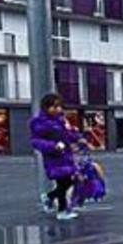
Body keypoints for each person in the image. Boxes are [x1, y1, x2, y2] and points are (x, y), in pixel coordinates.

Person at [29, 93, 82, 221]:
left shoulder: (60, 120)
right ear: (46, 107)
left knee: (69, 181)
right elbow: (36, 141)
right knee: (63, 183)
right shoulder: (39, 123)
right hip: (54, 158)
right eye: (54, 107)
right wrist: (53, 146)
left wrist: (78, 137)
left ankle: (50, 197)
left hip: (66, 156)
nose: (58, 109)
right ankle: (62, 210)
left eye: (59, 106)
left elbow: (67, 135)